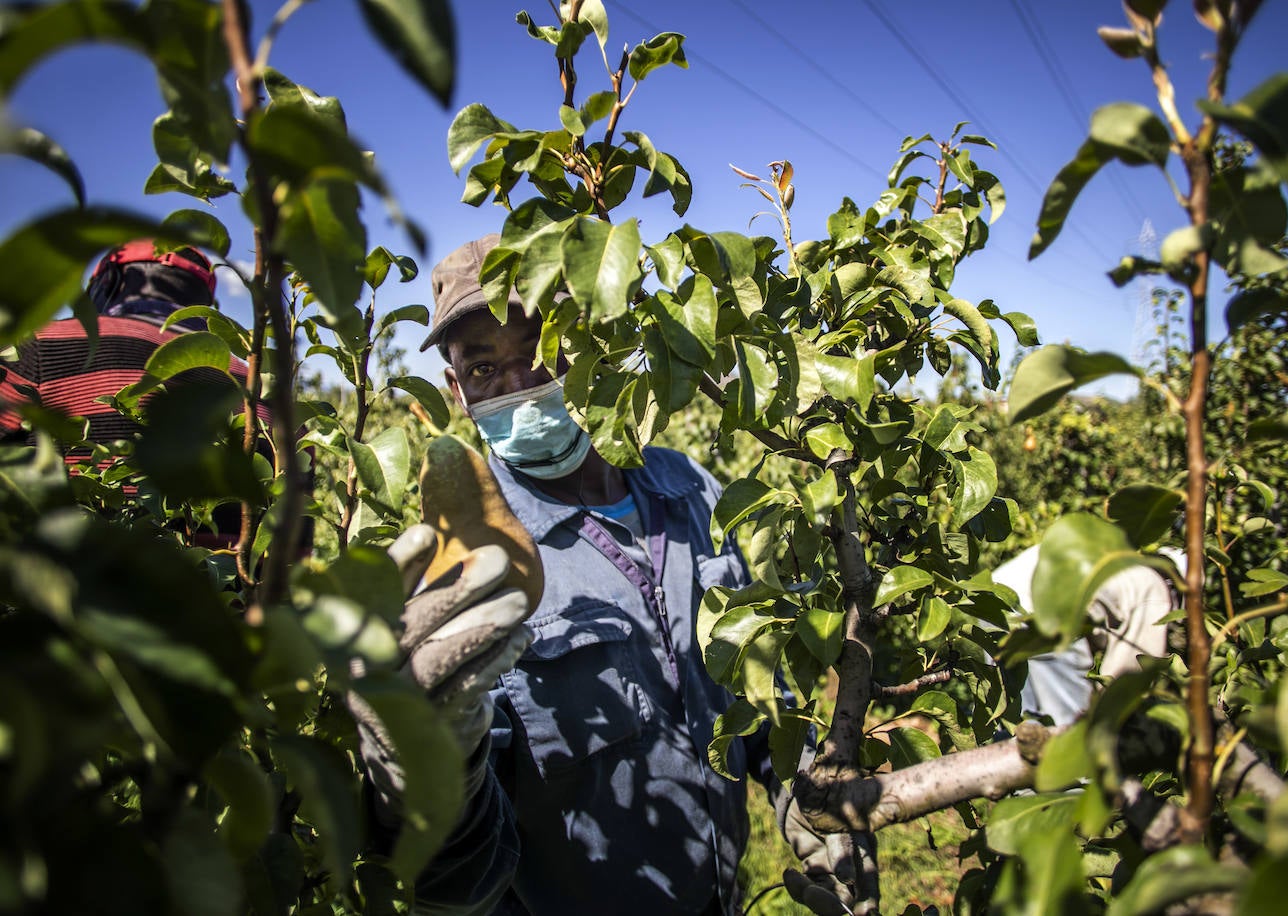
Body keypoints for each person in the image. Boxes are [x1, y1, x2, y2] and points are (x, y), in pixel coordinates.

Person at [357, 233, 853, 916]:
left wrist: (802, 787)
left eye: (541, 350)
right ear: (455, 391)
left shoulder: (694, 490)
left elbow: (759, 684)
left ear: (591, 341)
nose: (522, 387)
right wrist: (424, 769)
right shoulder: (469, 572)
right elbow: (453, 878)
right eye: (484, 370)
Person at [0, 240, 270, 549]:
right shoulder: (269, 397)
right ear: (204, 300)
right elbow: (292, 554)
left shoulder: (34, 346)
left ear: (108, 283)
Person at [991, 544, 1185, 725]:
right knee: (1068, 733)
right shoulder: (1155, 589)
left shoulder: (1119, 560)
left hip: (993, 604)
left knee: (1014, 728)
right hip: (1046, 617)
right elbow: (1127, 676)